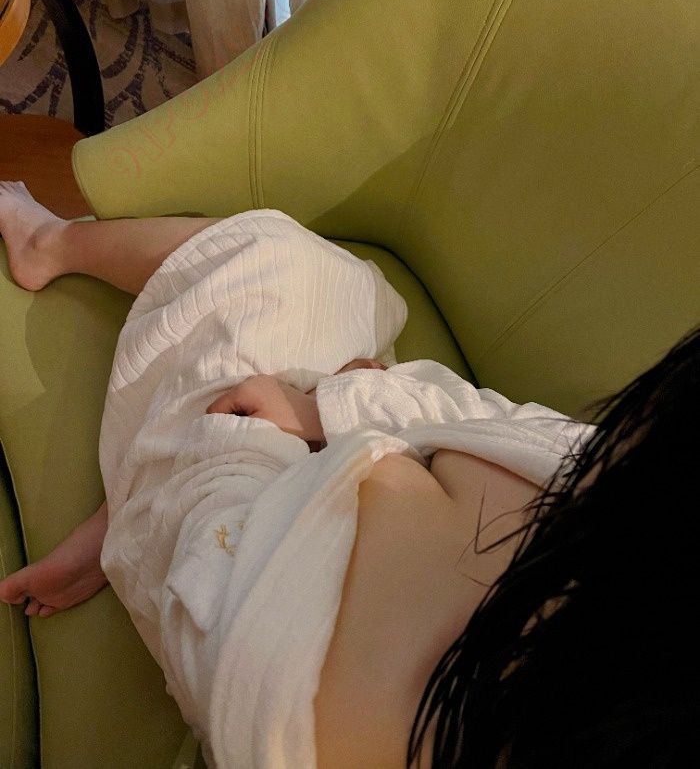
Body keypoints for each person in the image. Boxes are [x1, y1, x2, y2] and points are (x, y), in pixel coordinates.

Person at [0, 179, 696, 767]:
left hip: (215, 515)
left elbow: (203, 562)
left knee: (275, 257)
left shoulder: (303, 708)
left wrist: (251, 436)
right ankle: (129, 504)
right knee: (363, 300)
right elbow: (483, 416)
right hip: (329, 455)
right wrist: (331, 405)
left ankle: (51, 249)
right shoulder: (596, 487)